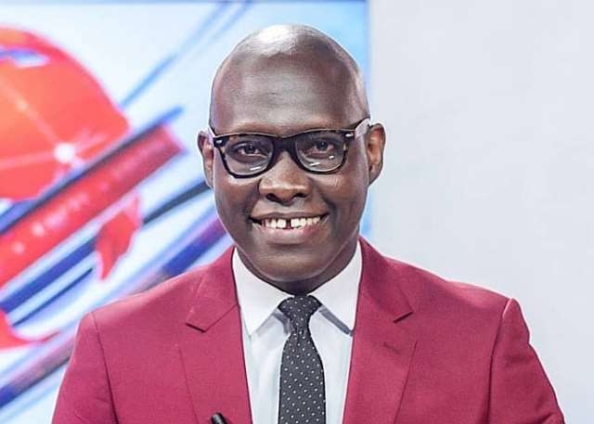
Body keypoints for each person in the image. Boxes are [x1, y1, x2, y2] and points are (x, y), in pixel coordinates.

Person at [53, 24, 564, 424]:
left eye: (320, 146)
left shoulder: (480, 338)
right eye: (248, 150)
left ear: (371, 151)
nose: (283, 183)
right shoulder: (117, 349)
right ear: (210, 160)